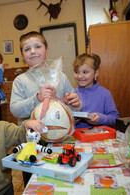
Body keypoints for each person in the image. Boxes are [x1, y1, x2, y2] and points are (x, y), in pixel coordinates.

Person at [10, 31, 82, 186]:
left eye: (37, 46)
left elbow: (72, 106)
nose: (33, 51)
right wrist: (37, 98)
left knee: (61, 180)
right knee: (34, 184)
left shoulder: (61, 77)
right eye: (27, 49)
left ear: (47, 50)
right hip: (32, 145)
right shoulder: (20, 81)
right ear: (22, 55)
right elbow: (15, 109)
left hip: (60, 142)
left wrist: (76, 102)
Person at [73, 53, 119, 129]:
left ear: (96, 73)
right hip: (76, 138)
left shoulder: (105, 94)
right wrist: (72, 120)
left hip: (99, 138)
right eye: (77, 72)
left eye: (85, 72)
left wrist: (100, 119)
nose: (80, 76)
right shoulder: (72, 94)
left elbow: (115, 118)